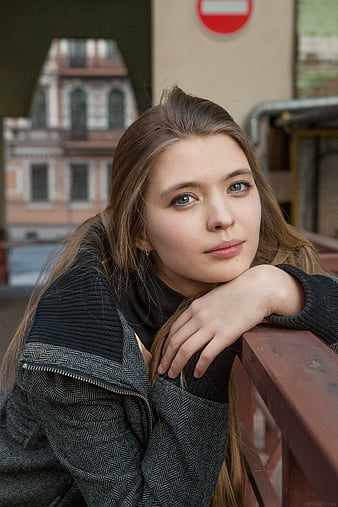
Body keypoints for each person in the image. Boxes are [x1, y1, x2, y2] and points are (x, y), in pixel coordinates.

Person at [0, 86, 337, 507]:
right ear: (140, 231)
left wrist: (275, 287)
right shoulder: (80, 344)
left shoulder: (260, 267)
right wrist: (205, 358)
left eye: (237, 187)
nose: (223, 218)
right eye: (184, 199)